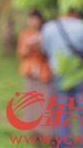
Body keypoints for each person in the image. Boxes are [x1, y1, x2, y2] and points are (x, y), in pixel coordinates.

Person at [42, 9, 83, 148]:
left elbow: (45, 50)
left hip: (59, 76)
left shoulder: (48, 27)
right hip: (82, 77)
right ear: (76, 12)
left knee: (62, 117)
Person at [17, 9, 54, 139]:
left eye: (35, 19)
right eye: (31, 19)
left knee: (45, 102)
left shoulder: (47, 33)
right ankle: (34, 131)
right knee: (31, 102)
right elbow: (21, 53)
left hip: (44, 73)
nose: (33, 22)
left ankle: (49, 132)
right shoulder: (25, 34)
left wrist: (40, 45)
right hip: (30, 72)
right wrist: (29, 46)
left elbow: (50, 53)